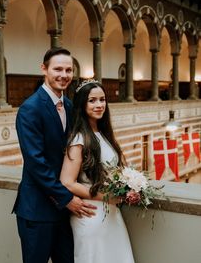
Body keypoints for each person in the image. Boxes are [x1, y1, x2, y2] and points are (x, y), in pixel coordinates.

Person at [12, 48, 96, 263]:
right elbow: (36, 162)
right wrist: (67, 198)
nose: (64, 75)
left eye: (69, 70)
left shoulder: (69, 105)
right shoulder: (30, 108)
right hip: (37, 211)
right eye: (58, 69)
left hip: (63, 214)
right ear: (44, 69)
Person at [60, 79, 135, 263]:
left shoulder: (104, 134)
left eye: (102, 99)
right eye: (92, 100)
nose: (99, 105)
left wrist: (129, 187)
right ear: (82, 104)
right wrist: (105, 197)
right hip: (91, 215)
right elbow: (67, 182)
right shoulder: (79, 139)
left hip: (112, 214)